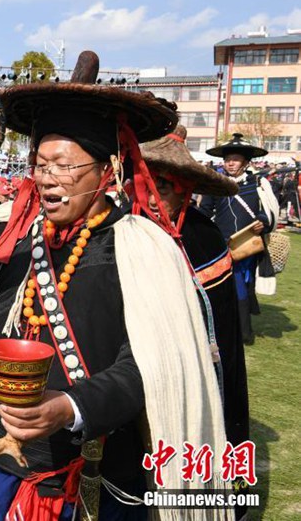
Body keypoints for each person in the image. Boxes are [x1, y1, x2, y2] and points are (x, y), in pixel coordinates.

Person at [0, 51, 230, 520]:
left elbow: (147, 366)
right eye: (41, 166)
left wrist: (71, 406)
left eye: (64, 167)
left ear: (107, 171)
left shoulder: (141, 251)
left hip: (77, 463)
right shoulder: (17, 230)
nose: (47, 180)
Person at [140, 126, 251, 518]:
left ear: (185, 190)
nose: (151, 198)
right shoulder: (125, 227)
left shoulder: (202, 238)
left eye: (164, 187)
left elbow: (216, 337)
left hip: (188, 370)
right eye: (144, 184)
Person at [198, 134, 277, 345]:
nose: (230, 163)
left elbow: (268, 211)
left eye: (235, 159)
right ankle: (236, 331)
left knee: (242, 285)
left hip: (248, 246)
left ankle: (243, 332)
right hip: (221, 245)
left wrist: (262, 221)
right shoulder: (215, 184)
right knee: (224, 286)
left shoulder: (258, 184)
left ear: (245, 162)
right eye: (227, 159)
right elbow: (205, 211)